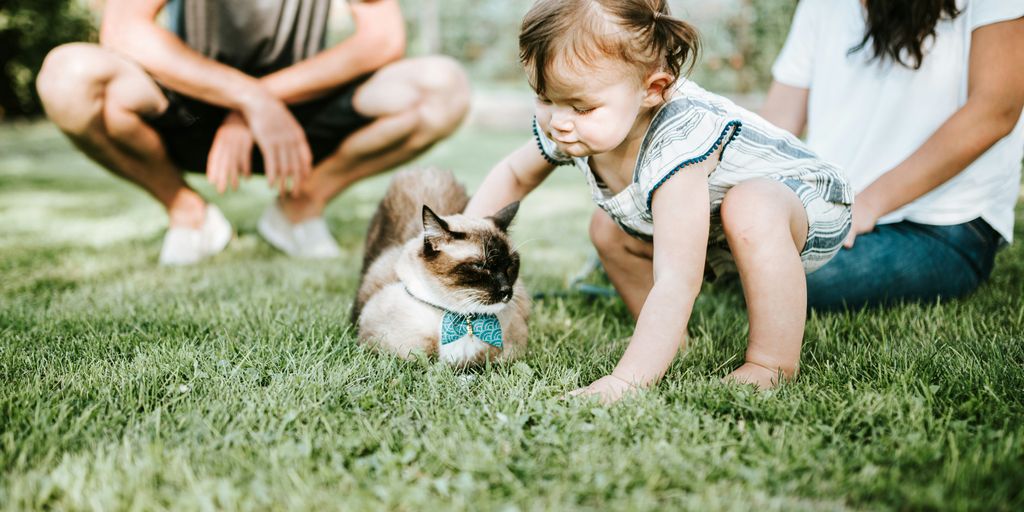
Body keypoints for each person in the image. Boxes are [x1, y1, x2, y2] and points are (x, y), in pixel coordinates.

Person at [465, 0, 854, 399]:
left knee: (749, 208)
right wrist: (459, 239)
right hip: (722, 218)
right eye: (545, 98)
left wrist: (625, 381)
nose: (559, 121)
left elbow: (676, 280)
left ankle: (770, 363)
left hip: (806, 200)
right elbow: (514, 173)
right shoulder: (575, 122)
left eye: (582, 106)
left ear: (653, 90)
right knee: (607, 230)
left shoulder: (678, 143)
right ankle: (670, 343)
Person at [35, 0, 470, 265]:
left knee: (443, 88)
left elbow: (382, 39)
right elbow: (124, 30)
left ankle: (301, 203)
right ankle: (188, 214)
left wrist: (262, 100)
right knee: (68, 77)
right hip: (191, 105)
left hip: (301, 113)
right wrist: (247, 99)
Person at [759, 0, 1024, 310]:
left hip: (944, 224)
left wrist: (870, 203)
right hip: (831, 210)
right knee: (751, 242)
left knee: (785, 274)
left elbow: (995, 111)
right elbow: (780, 120)